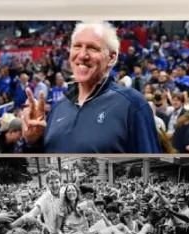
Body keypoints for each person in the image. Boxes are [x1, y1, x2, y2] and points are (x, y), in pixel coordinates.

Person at [21, 22, 161, 153]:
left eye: (92, 48)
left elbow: (152, 170)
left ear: (111, 58)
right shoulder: (58, 108)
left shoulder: (133, 104)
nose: (82, 55)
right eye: (77, 46)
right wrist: (32, 142)